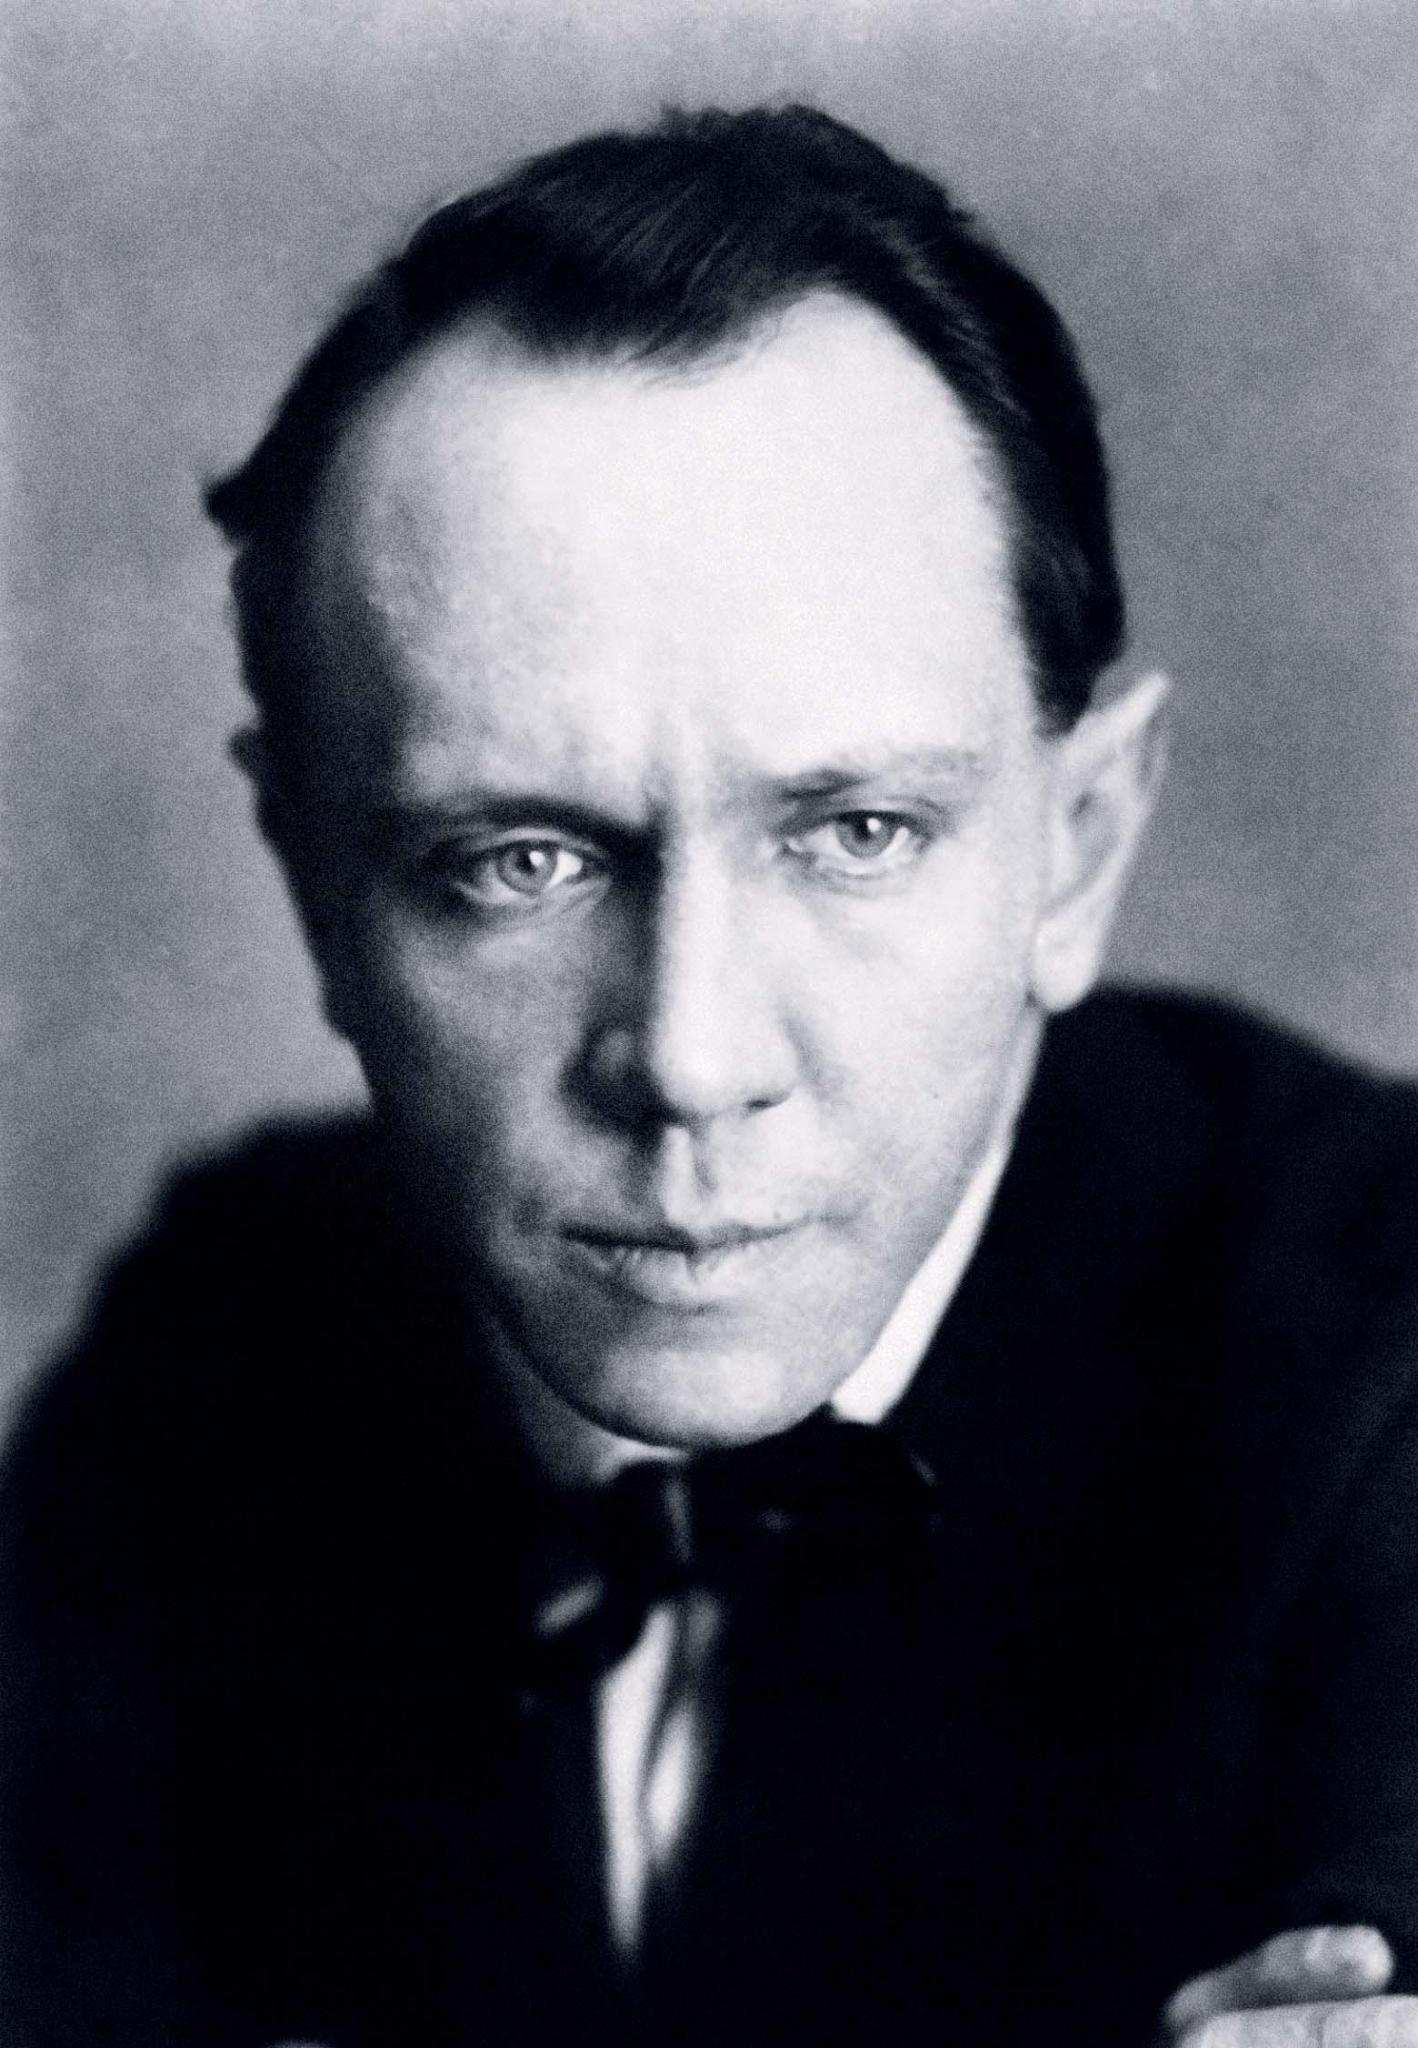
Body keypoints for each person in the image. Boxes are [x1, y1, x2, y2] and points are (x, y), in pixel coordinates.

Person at [3, 103, 1418, 2048]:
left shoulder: (1377, 1345)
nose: (687, 1059)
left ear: (1076, 846)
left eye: (853, 834)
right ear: (312, 880)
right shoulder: (222, 1340)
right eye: (518, 862)